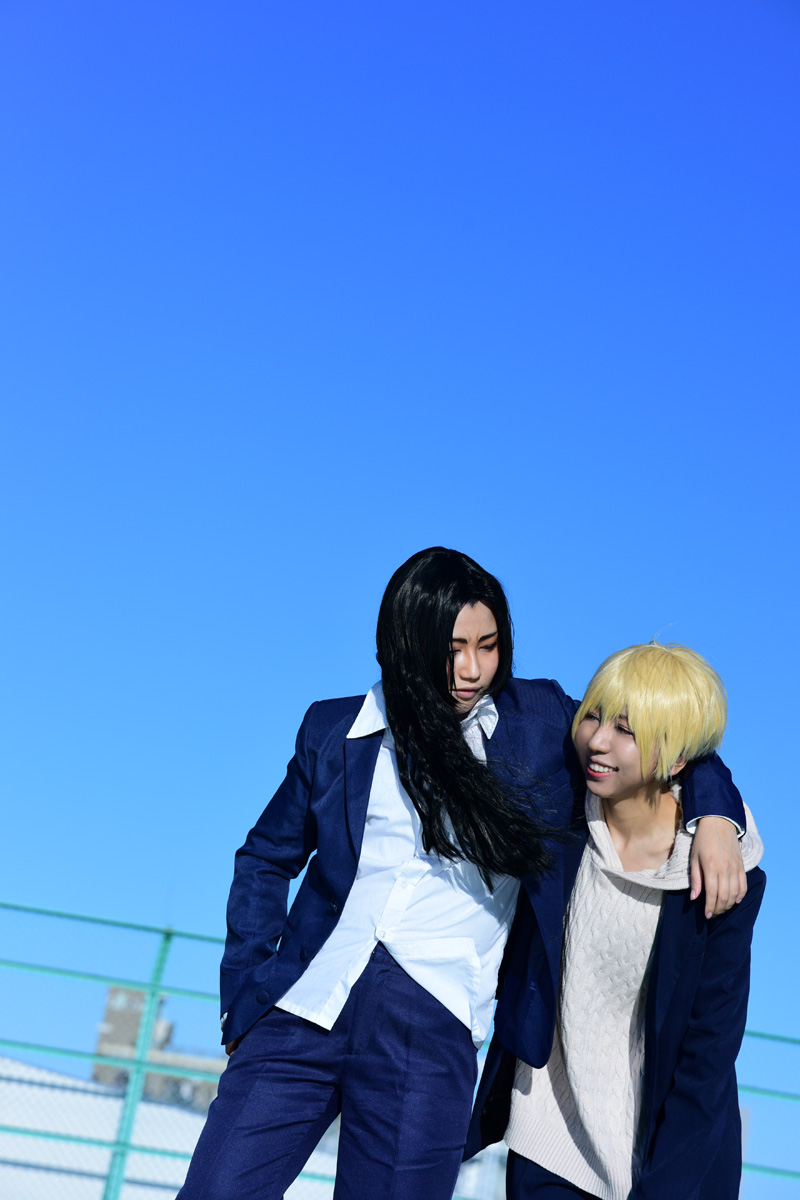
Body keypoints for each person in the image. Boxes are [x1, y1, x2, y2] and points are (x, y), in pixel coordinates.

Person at [178, 550, 747, 1200]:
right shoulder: (334, 731)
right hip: (302, 1007)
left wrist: (715, 818)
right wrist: (244, 992)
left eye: (488, 646)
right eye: (452, 650)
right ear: (406, 640)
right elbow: (264, 857)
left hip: (430, 1029)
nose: (472, 669)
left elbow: (662, 734)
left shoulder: (540, 727)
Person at [466, 642, 764, 1200]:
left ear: (678, 760)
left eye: (626, 730)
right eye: (594, 717)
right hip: (548, 1140)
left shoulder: (721, 877)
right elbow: (492, 692)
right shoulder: (559, 806)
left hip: (667, 1159)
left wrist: (718, 816)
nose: (599, 741)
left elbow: (707, 1055)